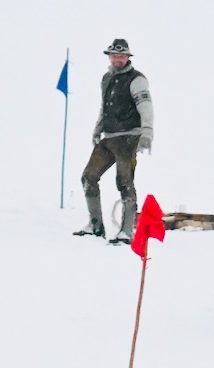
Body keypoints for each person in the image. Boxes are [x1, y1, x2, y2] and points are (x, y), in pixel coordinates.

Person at [72, 38, 154, 245]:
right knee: (88, 176)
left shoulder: (137, 79)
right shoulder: (106, 78)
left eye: (121, 56)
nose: (118, 59)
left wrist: (147, 134)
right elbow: (104, 107)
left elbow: (146, 107)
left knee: (124, 181)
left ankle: (127, 231)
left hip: (129, 136)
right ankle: (95, 225)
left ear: (127, 57)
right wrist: (98, 128)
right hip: (108, 137)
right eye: (114, 55)